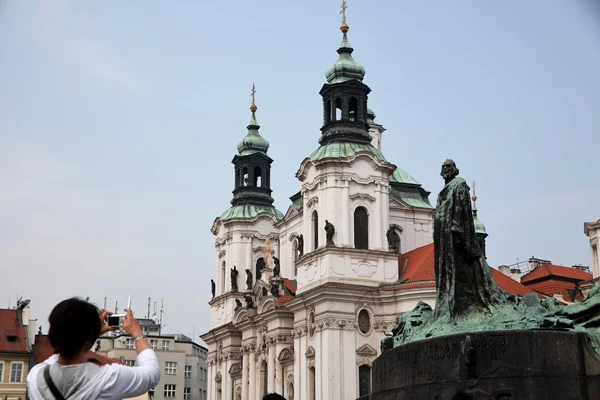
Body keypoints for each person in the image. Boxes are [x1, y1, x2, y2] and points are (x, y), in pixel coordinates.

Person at [27, 297, 161, 399]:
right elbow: (152, 374)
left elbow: (58, 355)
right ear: (88, 338)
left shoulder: (35, 378)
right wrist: (137, 334)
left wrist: (90, 334)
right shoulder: (106, 379)